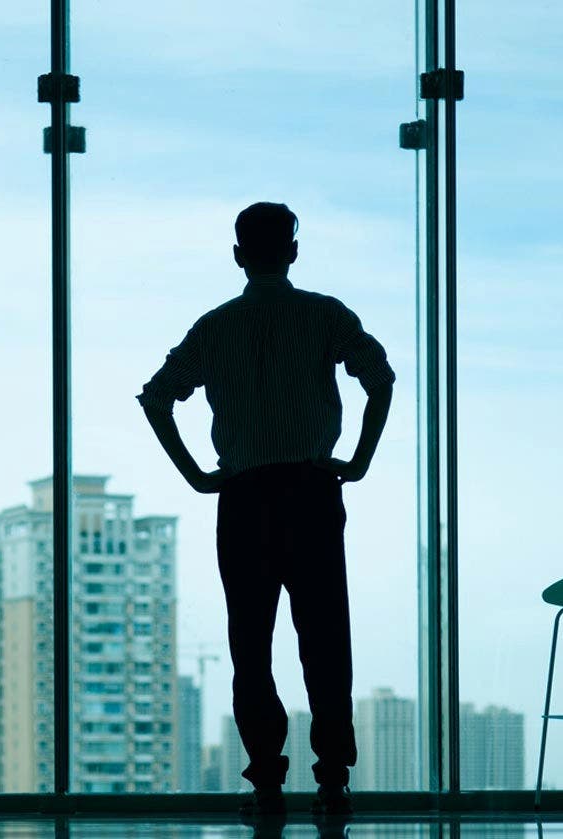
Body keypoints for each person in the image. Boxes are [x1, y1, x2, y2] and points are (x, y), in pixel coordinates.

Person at [137, 201, 395, 820]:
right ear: (294, 251)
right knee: (326, 641)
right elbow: (379, 378)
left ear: (237, 255)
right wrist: (358, 460)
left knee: (251, 645)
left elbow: (156, 399)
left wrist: (199, 475)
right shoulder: (325, 314)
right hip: (311, 493)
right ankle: (332, 781)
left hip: (244, 498)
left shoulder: (214, 326)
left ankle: (268, 784)